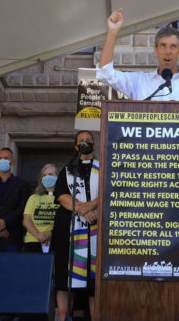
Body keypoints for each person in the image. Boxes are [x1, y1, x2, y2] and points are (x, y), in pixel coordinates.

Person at [97, 8, 179, 101]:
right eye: (163, 46)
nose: (168, 51)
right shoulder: (139, 81)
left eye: (173, 47)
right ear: (155, 50)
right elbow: (105, 74)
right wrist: (112, 32)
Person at [51, 131, 99, 321]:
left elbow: (108, 192)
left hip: (96, 231)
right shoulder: (67, 170)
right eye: (82, 141)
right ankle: (63, 317)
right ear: (76, 147)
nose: (86, 143)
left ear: (94, 144)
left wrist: (92, 205)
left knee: (94, 280)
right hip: (68, 233)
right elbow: (62, 196)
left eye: (89, 141)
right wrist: (82, 209)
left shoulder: (103, 168)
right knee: (65, 278)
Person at [22, 163, 60, 253]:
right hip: (33, 241)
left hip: (56, 241)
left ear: (58, 177)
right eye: (44, 175)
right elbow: (26, 220)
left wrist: (48, 234)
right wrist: (39, 236)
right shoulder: (33, 197)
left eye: (50, 174)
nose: (47, 177)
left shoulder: (63, 199)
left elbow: (65, 222)